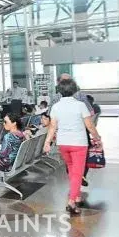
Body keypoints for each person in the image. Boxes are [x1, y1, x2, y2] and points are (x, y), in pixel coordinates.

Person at [43, 78, 102, 215]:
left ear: (59, 91)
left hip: (63, 143)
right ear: (75, 90)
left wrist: (47, 142)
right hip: (79, 143)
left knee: (71, 169)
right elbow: (89, 126)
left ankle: (77, 196)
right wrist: (97, 138)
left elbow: (52, 127)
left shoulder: (56, 107)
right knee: (78, 172)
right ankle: (71, 201)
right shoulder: (80, 105)